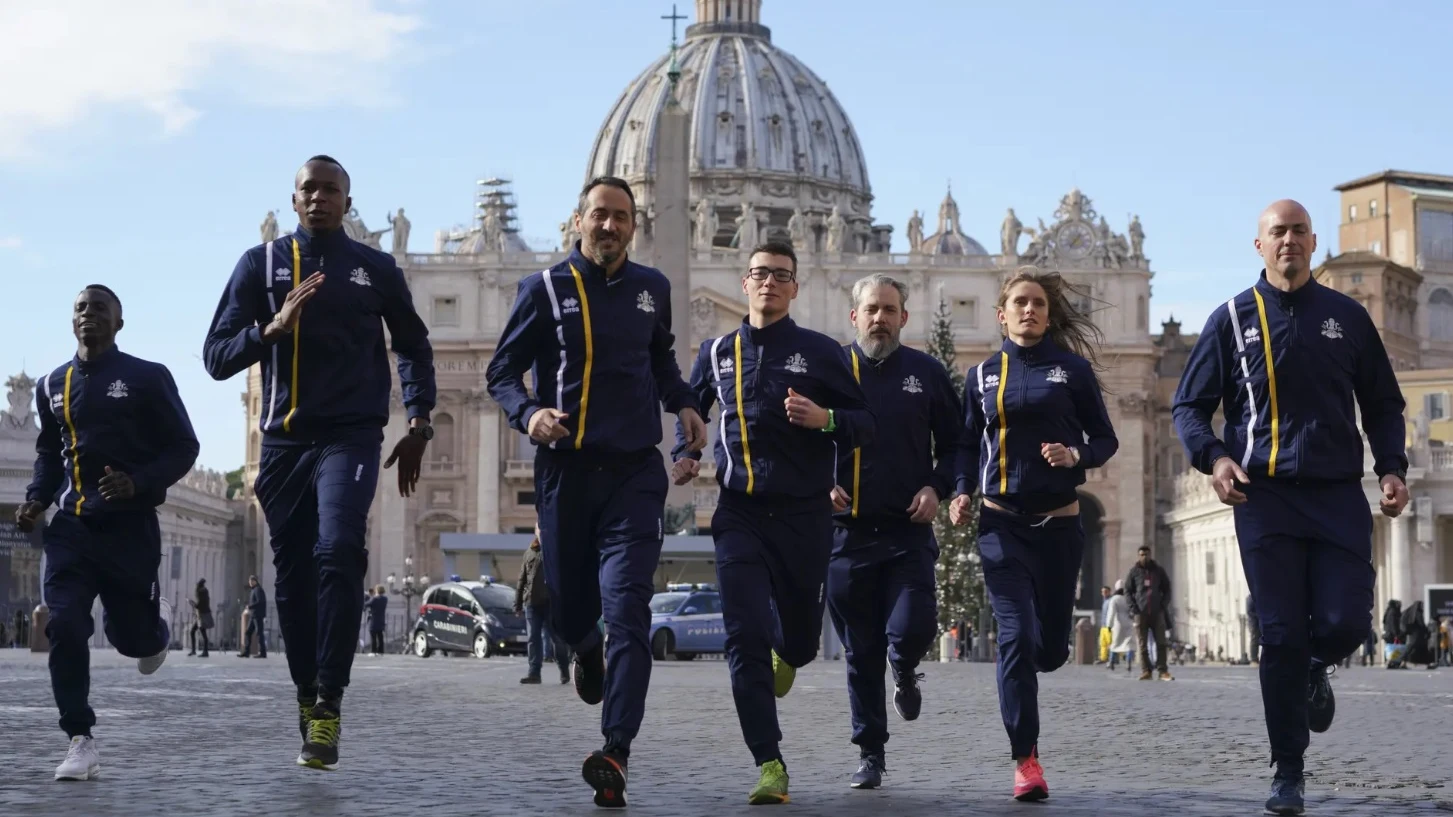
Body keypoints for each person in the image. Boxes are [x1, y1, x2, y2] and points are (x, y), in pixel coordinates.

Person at [1171, 199, 1408, 815]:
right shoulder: (1230, 318)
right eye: (1277, 232)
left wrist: (1390, 469)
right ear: (1259, 246)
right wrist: (1215, 458)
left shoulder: (1348, 318)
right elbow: (1189, 408)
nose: (1289, 241)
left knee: (1348, 624)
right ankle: (1287, 770)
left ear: (1312, 241)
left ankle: (1315, 665)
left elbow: (1383, 403)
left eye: (1299, 231)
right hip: (1264, 495)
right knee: (1278, 634)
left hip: (1336, 493)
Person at [202, 155, 437, 772]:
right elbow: (215, 356)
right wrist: (270, 331)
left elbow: (413, 345)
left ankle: (331, 697)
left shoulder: (374, 268)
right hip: (283, 444)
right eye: (310, 189)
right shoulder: (261, 265)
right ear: (295, 196)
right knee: (296, 579)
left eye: (331, 189)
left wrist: (417, 421)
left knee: (338, 552)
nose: (320, 198)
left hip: (352, 438)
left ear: (347, 199)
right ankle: (307, 693)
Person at [485, 175, 706, 808]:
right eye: (599, 216)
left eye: (622, 218)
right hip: (566, 470)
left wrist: (683, 402)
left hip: (636, 473)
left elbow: (660, 359)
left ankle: (616, 750)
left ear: (634, 226)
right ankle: (586, 651)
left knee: (631, 611)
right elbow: (501, 371)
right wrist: (528, 414)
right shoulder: (543, 289)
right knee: (568, 610)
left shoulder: (653, 288)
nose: (610, 227)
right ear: (578, 220)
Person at [670, 239, 875, 805]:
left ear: (794, 287)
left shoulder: (822, 352)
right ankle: (769, 761)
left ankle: (791, 652)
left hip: (805, 514)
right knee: (743, 637)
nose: (768, 283)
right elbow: (691, 414)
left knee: (802, 644)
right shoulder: (715, 352)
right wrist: (682, 456)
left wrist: (825, 417)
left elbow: (866, 424)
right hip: (737, 512)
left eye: (780, 275)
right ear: (745, 282)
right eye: (759, 273)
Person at [948, 266, 1118, 802]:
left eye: (1038, 303)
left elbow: (1106, 438)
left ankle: (1051, 649)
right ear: (1002, 314)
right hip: (1001, 524)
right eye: (1019, 302)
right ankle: (1026, 759)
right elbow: (965, 445)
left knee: (1047, 651)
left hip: (1060, 526)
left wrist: (1078, 455)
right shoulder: (981, 377)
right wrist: (959, 489)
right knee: (1015, 639)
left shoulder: (1073, 371)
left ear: (1048, 314)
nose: (1029, 310)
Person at [17, 284, 200, 781]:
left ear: (119, 323)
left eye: (100, 309)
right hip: (71, 529)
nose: (88, 315)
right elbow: (49, 453)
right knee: (66, 625)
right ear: (70, 320)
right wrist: (37, 496)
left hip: (129, 529)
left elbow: (185, 446)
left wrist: (137, 481)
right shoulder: (52, 383)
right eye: (80, 308)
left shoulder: (146, 377)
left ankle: (154, 627)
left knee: (133, 642)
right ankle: (80, 738)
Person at [823, 273, 960, 789]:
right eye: (871, 309)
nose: (879, 318)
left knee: (913, 625)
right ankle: (870, 753)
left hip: (907, 532)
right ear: (854, 315)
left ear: (904, 317)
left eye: (889, 309)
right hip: (845, 535)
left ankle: (904, 668)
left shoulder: (926, 373)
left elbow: (954, 445)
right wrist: (819, 484)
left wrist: (936, 487)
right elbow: (796, 438)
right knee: (860, 652)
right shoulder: (829, 370)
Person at [515, 527, 570, 685]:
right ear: (536, 532)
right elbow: (521, 579)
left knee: (557, 640)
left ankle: (564, 671)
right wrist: (517, 604)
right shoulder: (530, 552)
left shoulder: (556, 550)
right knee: (533, 638)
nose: (541, 532)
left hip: (552, 604)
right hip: (531, 604)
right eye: (538, 529)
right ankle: (534, 673)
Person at [1124, 546, 1174, 680]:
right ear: (1138, 556)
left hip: (1157, 612)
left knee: (1161, 642)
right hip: (1140, 613)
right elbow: (1127, 591)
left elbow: (1167, 588)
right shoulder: (1134, 572)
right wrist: (1133, 607)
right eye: (1141, 554)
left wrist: (1163, 605)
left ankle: (1163, 670)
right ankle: (1146, 670)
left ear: (1150, 555)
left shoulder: (1158, 571)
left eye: (1146, 554)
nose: (1144, 557)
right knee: (1142, 644)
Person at [239, 574, 267, 658]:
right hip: (253, 615)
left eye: (251, 581)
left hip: (257, 615)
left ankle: (263, 653)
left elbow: (260, 602)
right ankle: (246, 652)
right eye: (249, 581)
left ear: (255, 581)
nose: (250, 582)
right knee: (248, 632)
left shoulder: (258, 590)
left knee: (259, 633)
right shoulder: (254, 590)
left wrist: (250, 606)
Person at [188, 578, 212, 657]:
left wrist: (192, 603)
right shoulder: (205, 592)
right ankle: (195, 650)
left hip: (202, 616)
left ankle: (204, 652)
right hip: (202, 615)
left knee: (202, 633)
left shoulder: (201, 592)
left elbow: (199, 605)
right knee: (194, 631)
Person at [365, 585, 388, 655]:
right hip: (381, 619)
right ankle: (380, 651)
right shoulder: (385, 599)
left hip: (374, 619)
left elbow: (367, 604)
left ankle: (373, 651)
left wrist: (367, 596)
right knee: (380, 636)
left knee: (373, 636)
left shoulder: (374, 599)